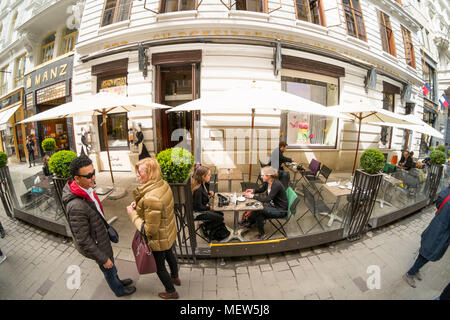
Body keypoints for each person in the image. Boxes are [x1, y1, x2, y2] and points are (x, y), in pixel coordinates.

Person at [62, 156, 136, 297]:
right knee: (108, 267)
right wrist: (102, 258)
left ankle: (118, 280)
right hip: (97, 245)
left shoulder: (85, 189)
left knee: (111, 265)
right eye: (88, 175)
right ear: (77, 179)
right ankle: (119, 290)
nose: (93, 177)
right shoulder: (76, 206)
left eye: (93, 172)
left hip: (100, 236)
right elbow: (83, 240)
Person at [127, 157, 179, 299]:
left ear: (150, 173)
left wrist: (132, 215)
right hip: (168, 232)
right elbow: (154, 209)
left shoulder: (151, 197)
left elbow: (149, 230)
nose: (137, 175)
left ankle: (171, 291)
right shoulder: (163, 184)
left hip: (157, 239)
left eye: (140, 172)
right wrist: (138, 206)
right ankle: (175, 277)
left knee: (159, 267)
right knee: (170, 255)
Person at [403, 185, 450, 288]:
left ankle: (416, 268)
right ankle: (410, 273)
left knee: (427, 251)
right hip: (440, 231)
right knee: (428, 252)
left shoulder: (446, 191)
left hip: (438, 227)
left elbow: (439, 203)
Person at [243, 166, 288, 240]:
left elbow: (267, 199)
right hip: (273, 206)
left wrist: (253, 196)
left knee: (258, 209)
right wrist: (253, 191)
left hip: (280, 210)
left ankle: (250, 222)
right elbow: (261, 190)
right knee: (259, 213)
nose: (261, 176)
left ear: (269, 176)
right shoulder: (268, 182)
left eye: (263, 175)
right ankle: (253, 225)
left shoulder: (276, 184)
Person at [191, 166, 225, 238]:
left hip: (202, 207)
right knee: (220, 218)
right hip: (198, 212)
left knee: (221, 213)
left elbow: (203, 194)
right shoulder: (198, 190)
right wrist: (210, 208)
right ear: (203, 176)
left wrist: (208, 193)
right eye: (209, 175)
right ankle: (206, 227)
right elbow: (199, 207)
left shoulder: (204, 183)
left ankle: (210, 226)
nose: (210, 176)